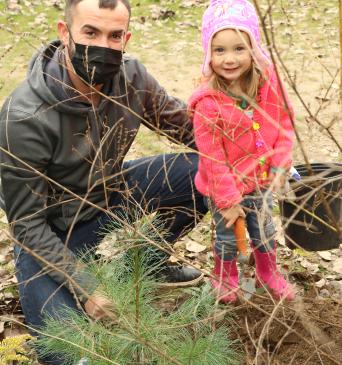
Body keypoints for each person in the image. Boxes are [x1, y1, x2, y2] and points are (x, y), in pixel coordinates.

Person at [0, 0, 207, 362]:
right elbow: (27, 226)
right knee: (67, 352)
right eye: (90, 33)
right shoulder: (24, 116)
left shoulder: (132, 78)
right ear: (65, 33)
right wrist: (86, 287)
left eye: (114, 36)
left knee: (204, 172)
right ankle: (89, 281)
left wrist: (257, 156)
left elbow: (191, 132)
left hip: (111, 195)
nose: (103, 47)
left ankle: (141, 267)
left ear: (126, 37)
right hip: (52, 233)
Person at [189, 0, 295, 303]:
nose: (230, 59)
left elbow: (284, 121)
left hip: (260, 180)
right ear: (209, 52)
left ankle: (268, 272)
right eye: (219, 50)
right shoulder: (208, 103)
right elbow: (212, 158)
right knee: (227, 236)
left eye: (239, 48)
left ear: (254, 48)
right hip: (225, 185)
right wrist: (228, 201)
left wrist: (279, 164)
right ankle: (226, 275)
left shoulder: (267, 82)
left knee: (264, 229)